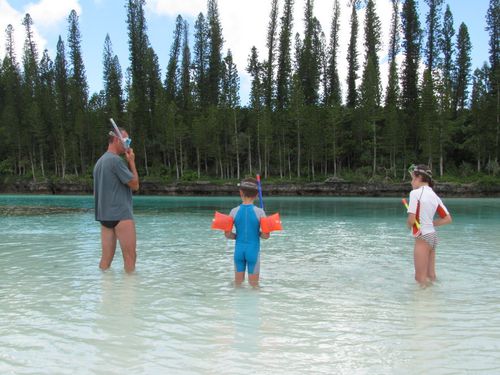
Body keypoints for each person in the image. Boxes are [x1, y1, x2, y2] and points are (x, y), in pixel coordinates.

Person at [93, 127, 139, 273]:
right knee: (130, 258)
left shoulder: (99, 162)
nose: (128, 144)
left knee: (105, 260)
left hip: (105, 217)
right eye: (127, 140)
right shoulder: (116, 161)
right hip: (121, 215)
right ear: (117, 140)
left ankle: (106, 292)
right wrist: (131, 161)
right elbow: (135, 185)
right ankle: (130, 292)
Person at [406, 164, 452, 286]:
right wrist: (430, 224)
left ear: (419, 177)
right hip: (432, 236)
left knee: (419, 277)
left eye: (412, 178)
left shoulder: (415, 193)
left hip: (422, 237)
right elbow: (447, 219)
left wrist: (409, 226)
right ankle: (433, 300)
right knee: (431, 275)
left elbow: (411, 220)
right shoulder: (434, 195)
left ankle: (422, 303)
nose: (411, 182)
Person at [224, 177, 270, 287]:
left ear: (240, 192)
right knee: (254, 286)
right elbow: (266, 235)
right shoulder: (260, 212)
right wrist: (257, 233)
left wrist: (237, 236)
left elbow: (227, 234)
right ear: (257, 195)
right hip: (253, 251)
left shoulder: (233, 211)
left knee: (237, 285)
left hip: (239, 251)